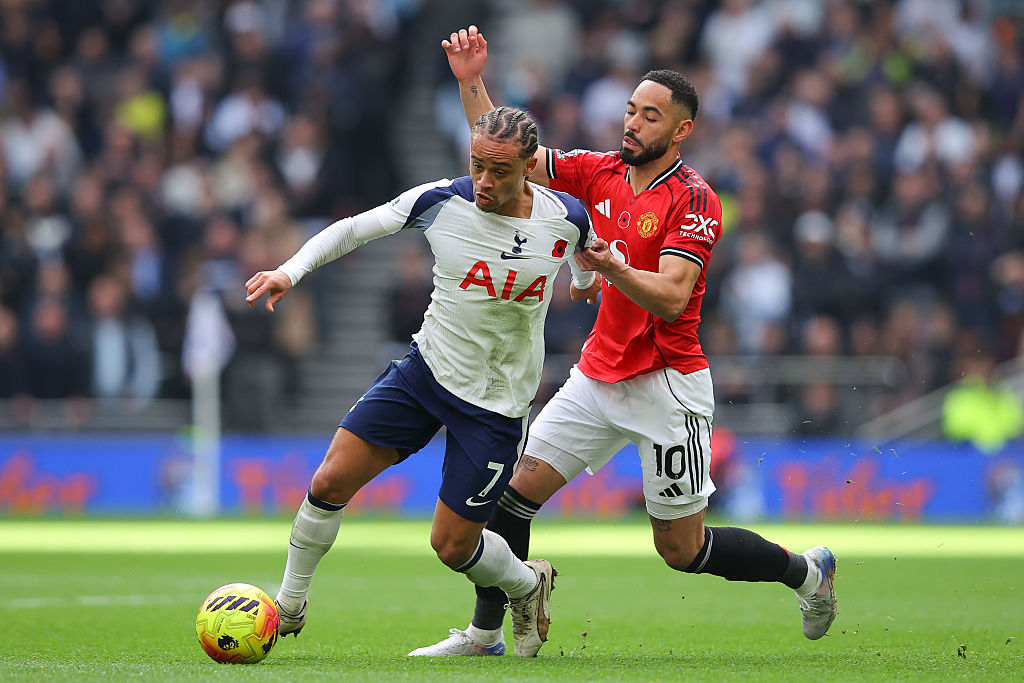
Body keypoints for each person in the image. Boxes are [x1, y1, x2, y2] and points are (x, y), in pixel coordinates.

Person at [409, 26, 837, 658]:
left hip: (667, 386)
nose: (632, 124)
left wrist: (607, 267)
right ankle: (488, 635)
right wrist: (471, 81)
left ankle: (806, 572)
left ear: (681, 131)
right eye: (631, 110)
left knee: (680, 551)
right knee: (512, 496)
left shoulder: (695, 199)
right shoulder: (599, 171)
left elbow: (669, 295)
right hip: (596, 375)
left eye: (650, 116)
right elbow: (506, 155)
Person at [244, 105, 601, 657]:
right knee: (330, 480)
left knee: (452, 546)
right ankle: (289, 605)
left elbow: (586, 256)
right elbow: (353, 229)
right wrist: (290, 271)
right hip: (426, 373)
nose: (484, 180)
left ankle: (528, 584)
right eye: (478, 164)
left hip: (496, 404)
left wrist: (584, 282)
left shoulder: (566, 216)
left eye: (501, 171)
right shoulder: (441, 202)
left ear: (531, 166)